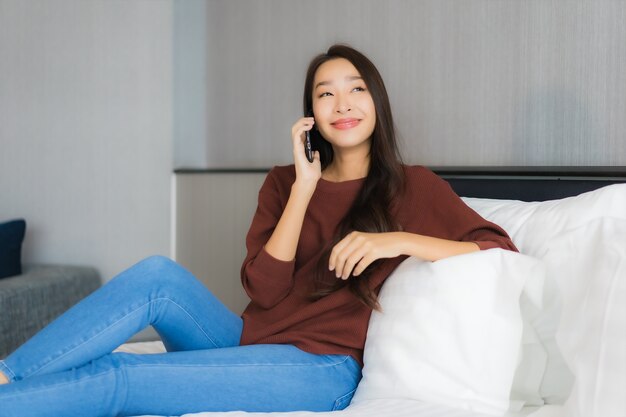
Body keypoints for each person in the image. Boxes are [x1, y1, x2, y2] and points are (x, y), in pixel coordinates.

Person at [0, 44, 517, 417]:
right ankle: (9, 377)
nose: (342, 105)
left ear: (377, 103)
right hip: (247, 338)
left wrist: (397, 240)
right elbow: (265, 292)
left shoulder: (412, 187)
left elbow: (499, 250)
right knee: (158, 275)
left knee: (123, 374)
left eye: (356, 90)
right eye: (325, 94)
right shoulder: (284, 182)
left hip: (321, 368)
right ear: (310, 114)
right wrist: (304, 188)